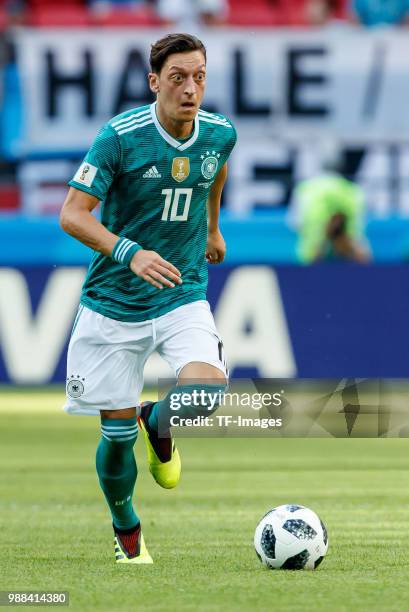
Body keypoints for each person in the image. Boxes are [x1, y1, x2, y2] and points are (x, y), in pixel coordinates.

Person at [60, 33, 237, 564]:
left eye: (199, 76)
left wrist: (211, 228)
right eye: (179, 77)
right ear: (154, 81)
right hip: (113, 301)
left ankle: (157, 424)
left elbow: (215, 170)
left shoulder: (221, 133)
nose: (191, 89)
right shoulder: (119, 136)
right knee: (114, 441)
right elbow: (72, 213)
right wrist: (129, 252)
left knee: (207, 392)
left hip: (181, 290)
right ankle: (126, 527)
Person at [294, 150, 371, 263]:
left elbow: (296, 223)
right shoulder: (352, 191)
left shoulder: (306, 189)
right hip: (320, 256)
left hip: (313, 256)